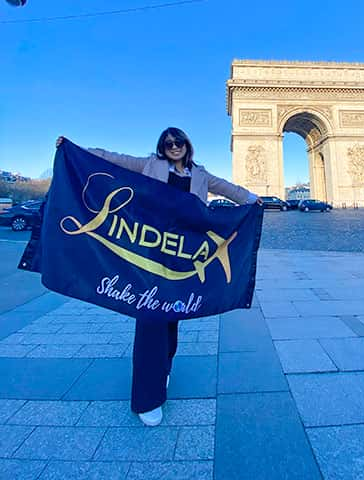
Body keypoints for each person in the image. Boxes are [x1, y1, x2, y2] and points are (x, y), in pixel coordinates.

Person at [56, 128, 261, 426]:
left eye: (178, 142)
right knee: (150, 316)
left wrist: (253, 199)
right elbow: (114, 159)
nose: (174, 146)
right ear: (161, 147)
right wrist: (75, 148)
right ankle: (147, 396)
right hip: (152, 250)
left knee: (172, 316)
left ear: (187, 145)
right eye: (168, 143)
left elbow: (229, 189)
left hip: (184, 253)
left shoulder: (201, 175)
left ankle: (163, 368)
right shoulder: (149, 165)